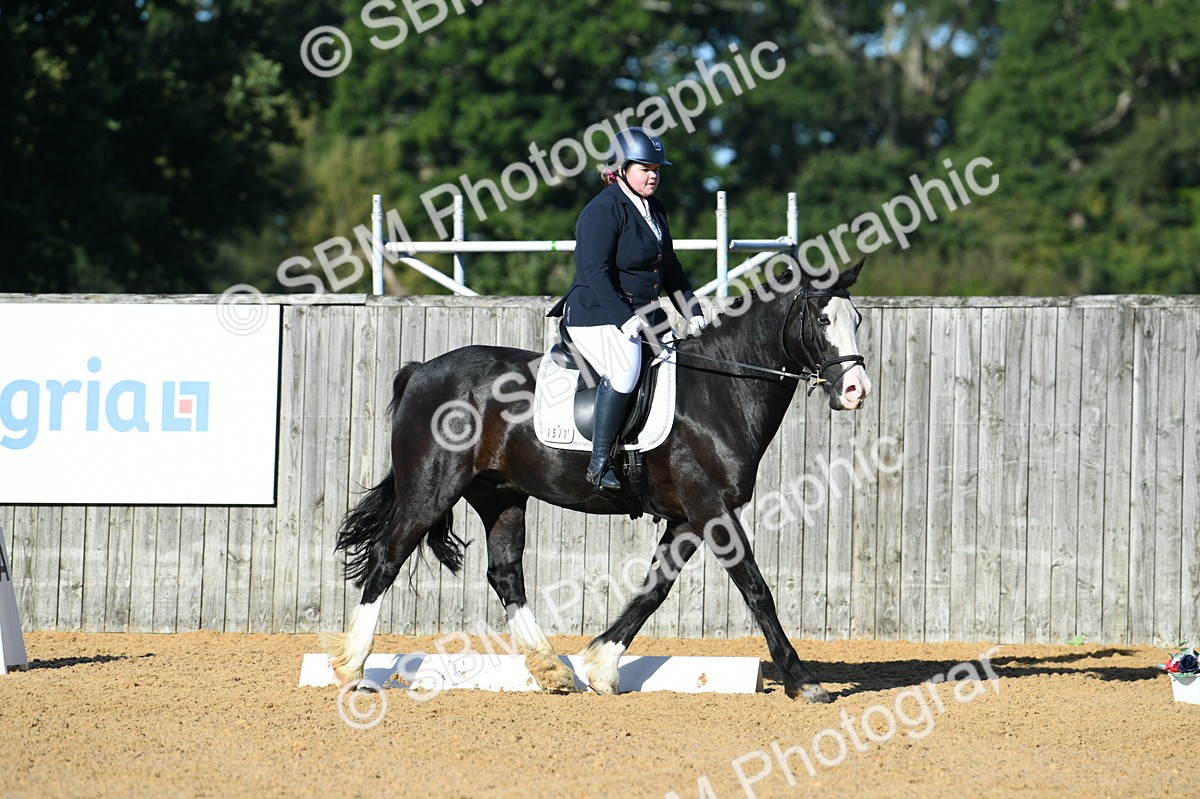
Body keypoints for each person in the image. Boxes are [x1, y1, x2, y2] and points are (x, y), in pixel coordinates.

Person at [547, 127, 706, 496]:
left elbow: (670, 268)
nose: (653, 176)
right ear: (620, 169)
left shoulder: (655, 210)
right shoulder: (602, 211)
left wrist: (692, 310)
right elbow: (594, 272)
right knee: (625, 370)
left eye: (657, 169)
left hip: (645, 313)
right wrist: (623, 318)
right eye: (644, 169)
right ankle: (599, 463)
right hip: (595, 312)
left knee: (680, 365)